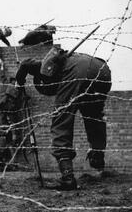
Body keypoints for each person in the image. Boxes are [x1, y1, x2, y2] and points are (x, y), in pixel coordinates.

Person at [15, 47, 112, 190]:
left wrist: (19, 82)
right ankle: (97, 156)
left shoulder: (41, 67)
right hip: (102, 70)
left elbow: (25, 63)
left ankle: (67, 178)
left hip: (78, 72)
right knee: (94, 116)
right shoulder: (59, 63)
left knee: (61, 119)